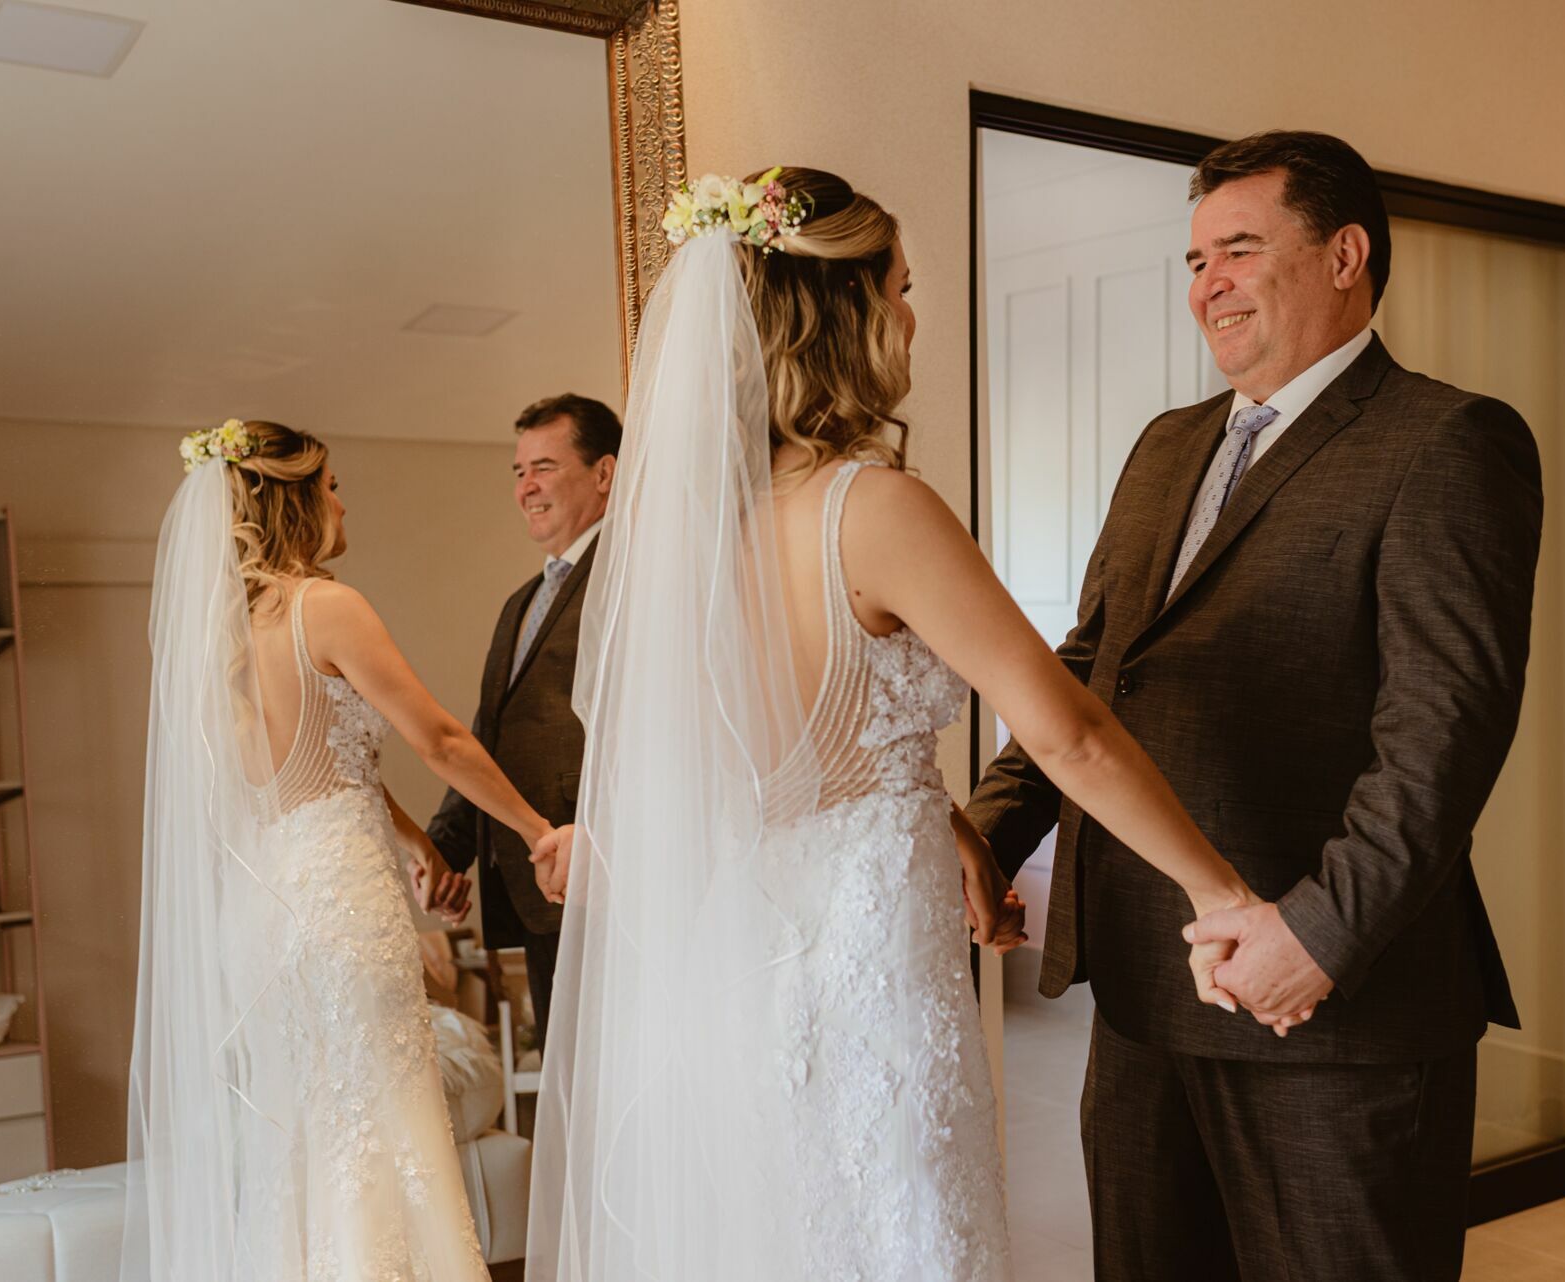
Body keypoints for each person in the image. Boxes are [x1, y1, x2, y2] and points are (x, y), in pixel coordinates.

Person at [526, 168, 1269, 1282]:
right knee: (893, 1219)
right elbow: (1067, 732)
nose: (912, 316)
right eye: (901, 288)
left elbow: (772, 761)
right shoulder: (872, 510)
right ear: (845, 313)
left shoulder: (692, 541)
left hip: (744, 968)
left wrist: (947, 819)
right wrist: (1221, 893)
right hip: (865, 975)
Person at [968, 131, 1544, 1281]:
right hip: (1144, 990)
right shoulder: (1165, 445)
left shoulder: (1447, 439)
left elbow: (1442, 734)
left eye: (1237, 250)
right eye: (1195, 261)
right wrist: (990, 833)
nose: (1208, 286)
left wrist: (1316, 936)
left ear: (1345, 256)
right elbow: (1091, 668)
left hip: (1333, 1010)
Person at [124, 419, 567, 1281]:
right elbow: (439, 739)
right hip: (340, 912)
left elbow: (322, 770)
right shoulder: (325, 607)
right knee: (382, 1123)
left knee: (308, 1138)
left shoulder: (222, 639)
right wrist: (533, 829)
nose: (340, 503)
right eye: (329, 486)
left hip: (264, 916)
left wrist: (415, 842)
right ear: (291, 500)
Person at [427, 394, 620, 1049]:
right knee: (572, 1069)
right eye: (518, 472)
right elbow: (492, 734)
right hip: (537, 887)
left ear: (604, 473)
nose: (526, 487)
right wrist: (447, 848)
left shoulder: (630, 578)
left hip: (600, 869)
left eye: (544, 467)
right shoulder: (522, 602)